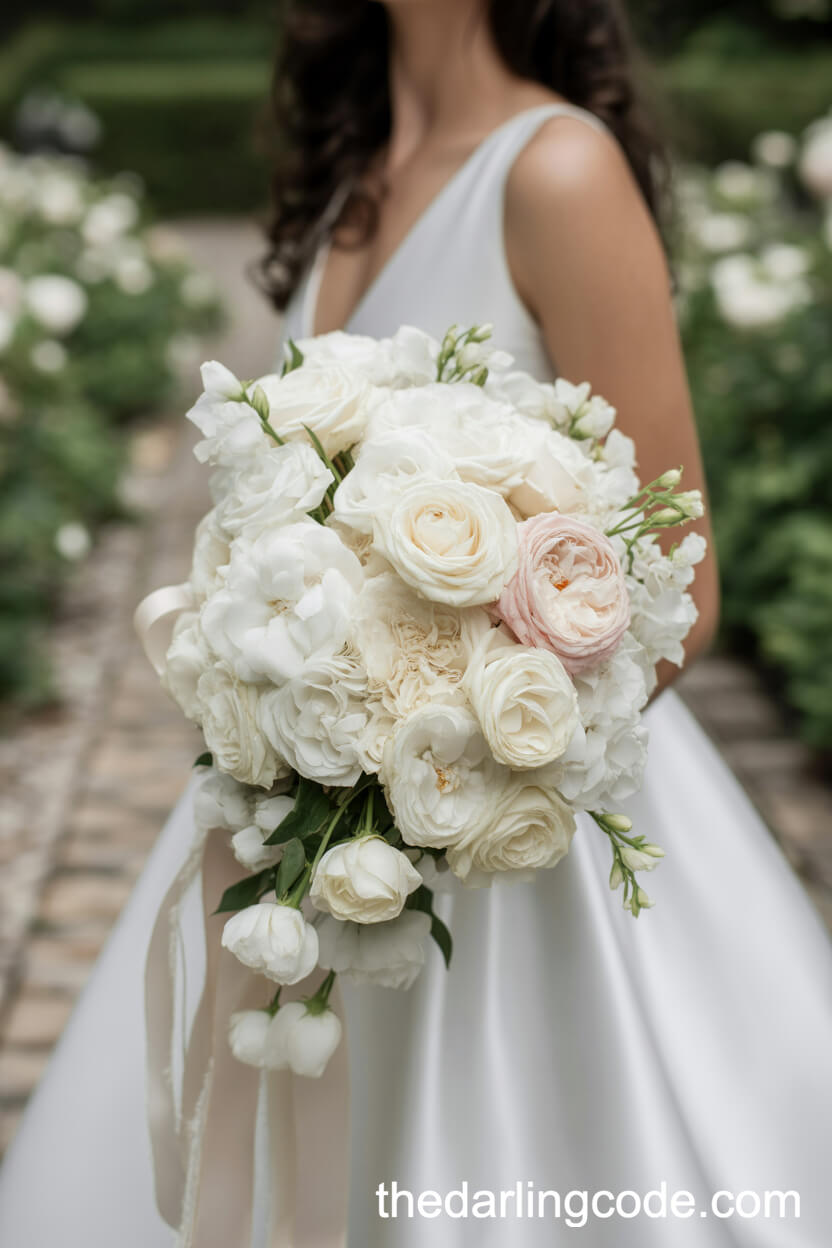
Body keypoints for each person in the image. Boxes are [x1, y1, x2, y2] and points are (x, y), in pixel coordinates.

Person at [1, 2, 831, 1246]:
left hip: (501, 841)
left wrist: (421, 768)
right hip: (291, 811)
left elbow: (679, 581)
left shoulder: (557, 170)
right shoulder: (350, 176)